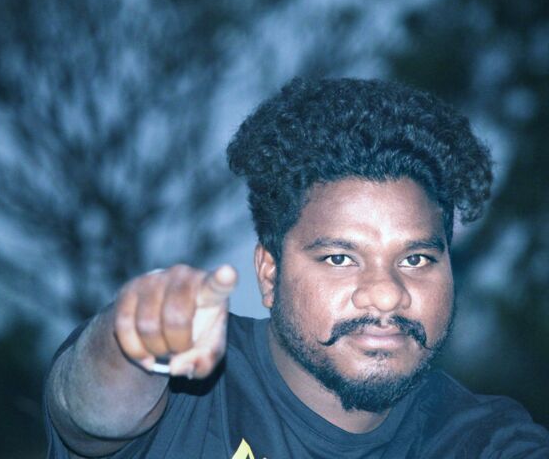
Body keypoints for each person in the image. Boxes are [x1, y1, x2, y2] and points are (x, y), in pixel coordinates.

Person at [44, 78, 549, 458]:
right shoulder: (192, 391)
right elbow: (88, 412)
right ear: (269, 273)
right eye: (340, 258)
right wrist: (135, 339)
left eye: (415, 259)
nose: (387, 293)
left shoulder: (482, 439)